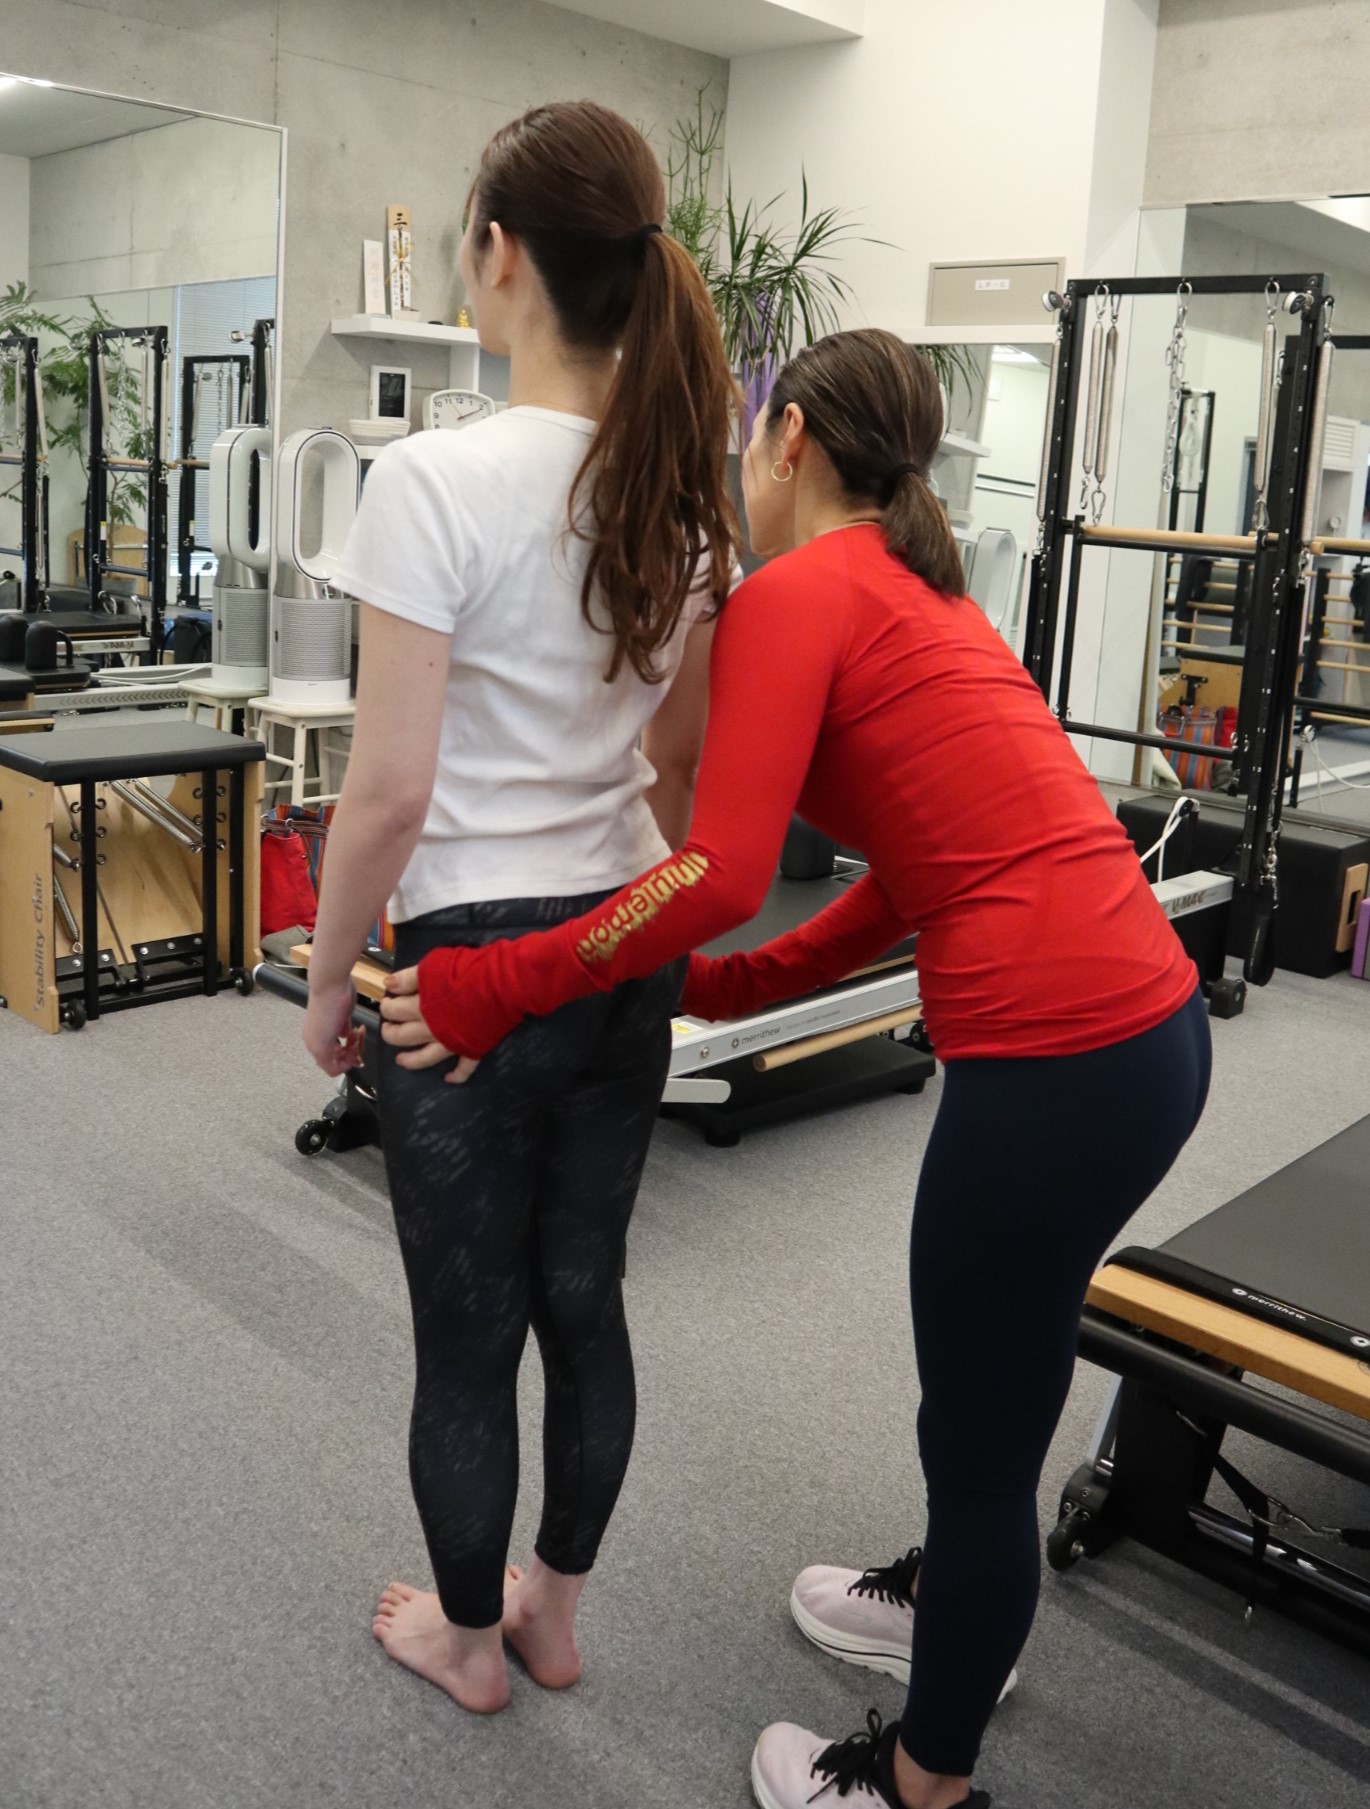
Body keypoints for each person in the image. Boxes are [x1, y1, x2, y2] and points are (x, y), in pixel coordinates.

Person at [380, 328, 1212, 1807]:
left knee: (977, 1429)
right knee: (1000, 1381)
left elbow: (715, 870)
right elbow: (908, 871)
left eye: (752, 435)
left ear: (791, 440)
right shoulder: (920, 589)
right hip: (1149, 1040)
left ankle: (921, 1778)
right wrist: (732, 983)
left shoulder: (796, 593)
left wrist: (497, 980)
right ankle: (957, 1607)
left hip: (1053, 1065)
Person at [302, 99, 739, 1716]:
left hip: (473, 968)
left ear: (496, 255)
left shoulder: (430, 481)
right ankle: (551, 1612)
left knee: (470, 1331)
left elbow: (388, 793)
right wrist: (634, 923)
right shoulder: (683, 495)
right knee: (584, 1296)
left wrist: (328, 976)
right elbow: (675, 768)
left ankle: (469, 1642)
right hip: (620, 940)